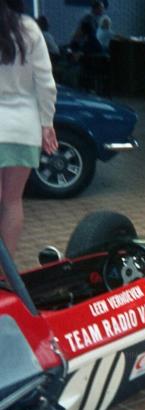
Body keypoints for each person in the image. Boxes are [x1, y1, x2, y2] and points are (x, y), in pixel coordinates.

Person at [0, 0, 58, 256]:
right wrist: (47, 123)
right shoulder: (29, 28)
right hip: (23, 128)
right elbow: (45, 82)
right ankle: (5, 272)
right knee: (12, 202)